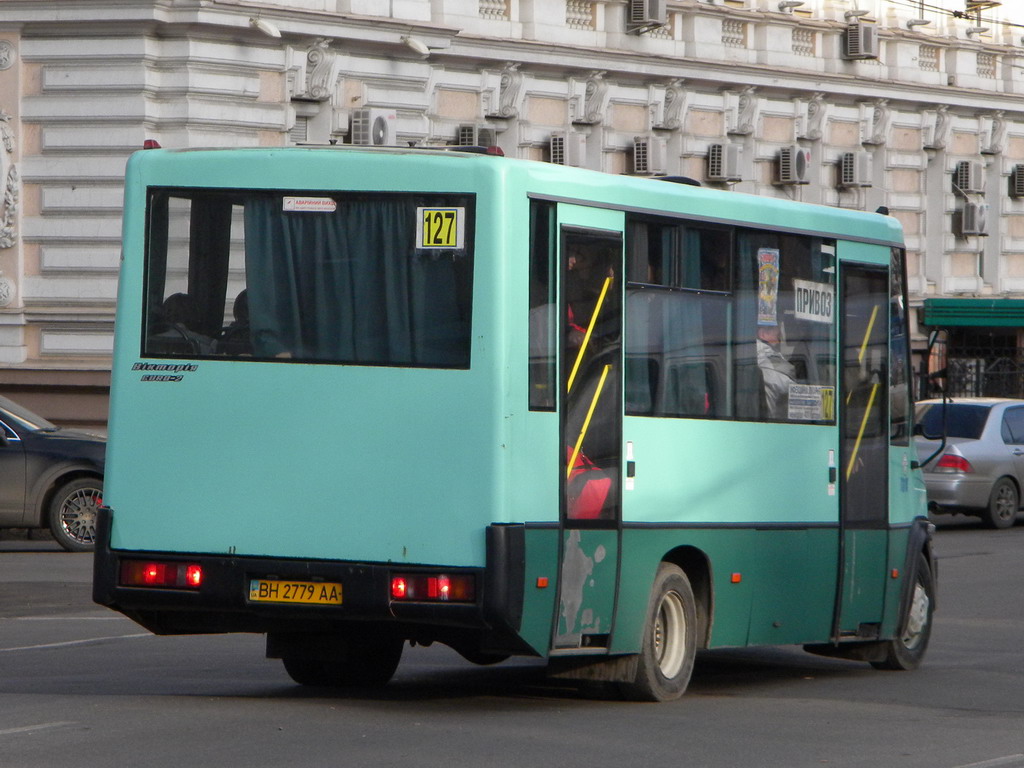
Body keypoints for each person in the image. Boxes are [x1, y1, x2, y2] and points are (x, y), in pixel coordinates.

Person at [756, 324, 796, 419]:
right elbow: (794, 390)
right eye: (777, 336)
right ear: (763, 334)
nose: (779, 341)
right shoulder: (773, 366)